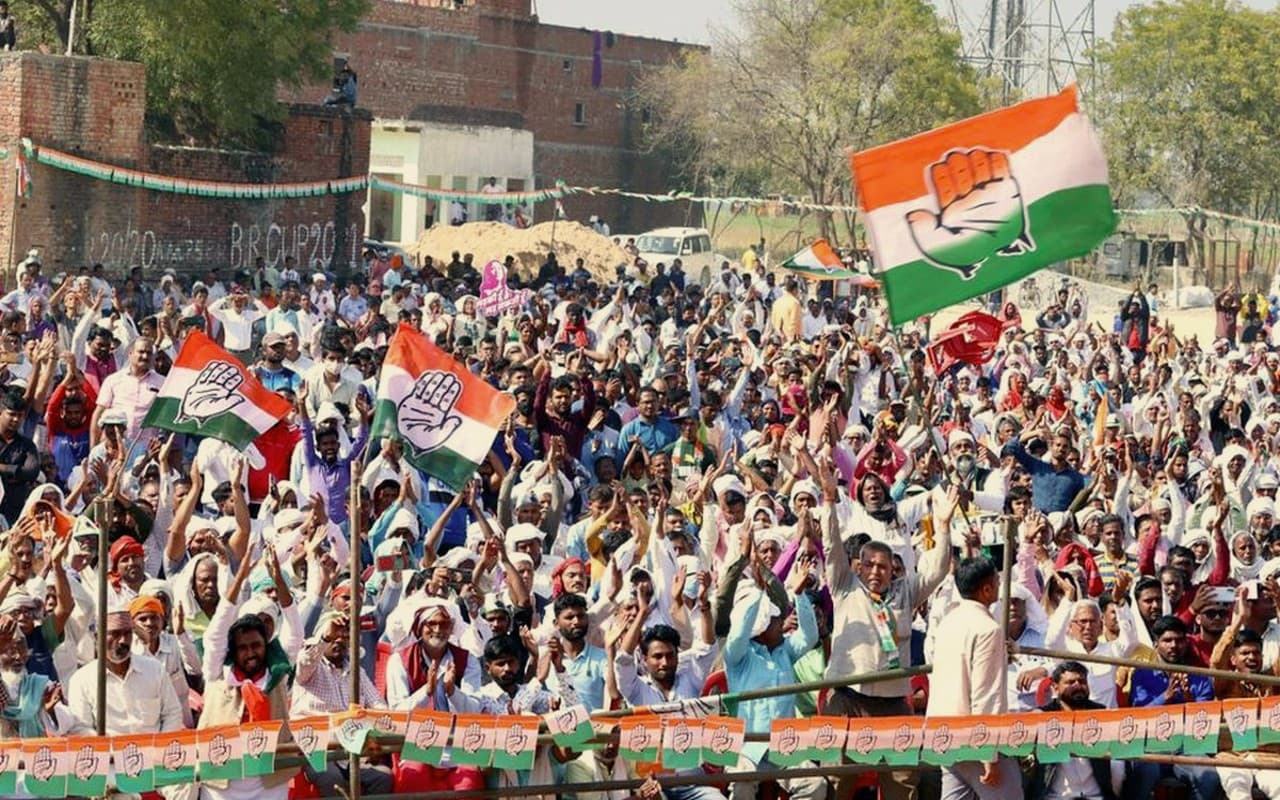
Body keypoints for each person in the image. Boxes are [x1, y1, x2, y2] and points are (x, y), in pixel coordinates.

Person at [927, 556, 1021, 800]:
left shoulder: (948, 622)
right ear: (986, 588)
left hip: (944, 733)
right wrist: (988, 753)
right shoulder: (988, 629)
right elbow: (985, 696)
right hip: (974, 738)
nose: (1000, 585)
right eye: (997, 581)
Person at [1029, 661, 1122, 800]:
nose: (1078, 685)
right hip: (1056, 797)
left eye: (1082, 681)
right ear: (1055, 687)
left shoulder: (1101, 713)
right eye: (1070, 682)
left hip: (1095, 796)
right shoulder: (1043, 715)